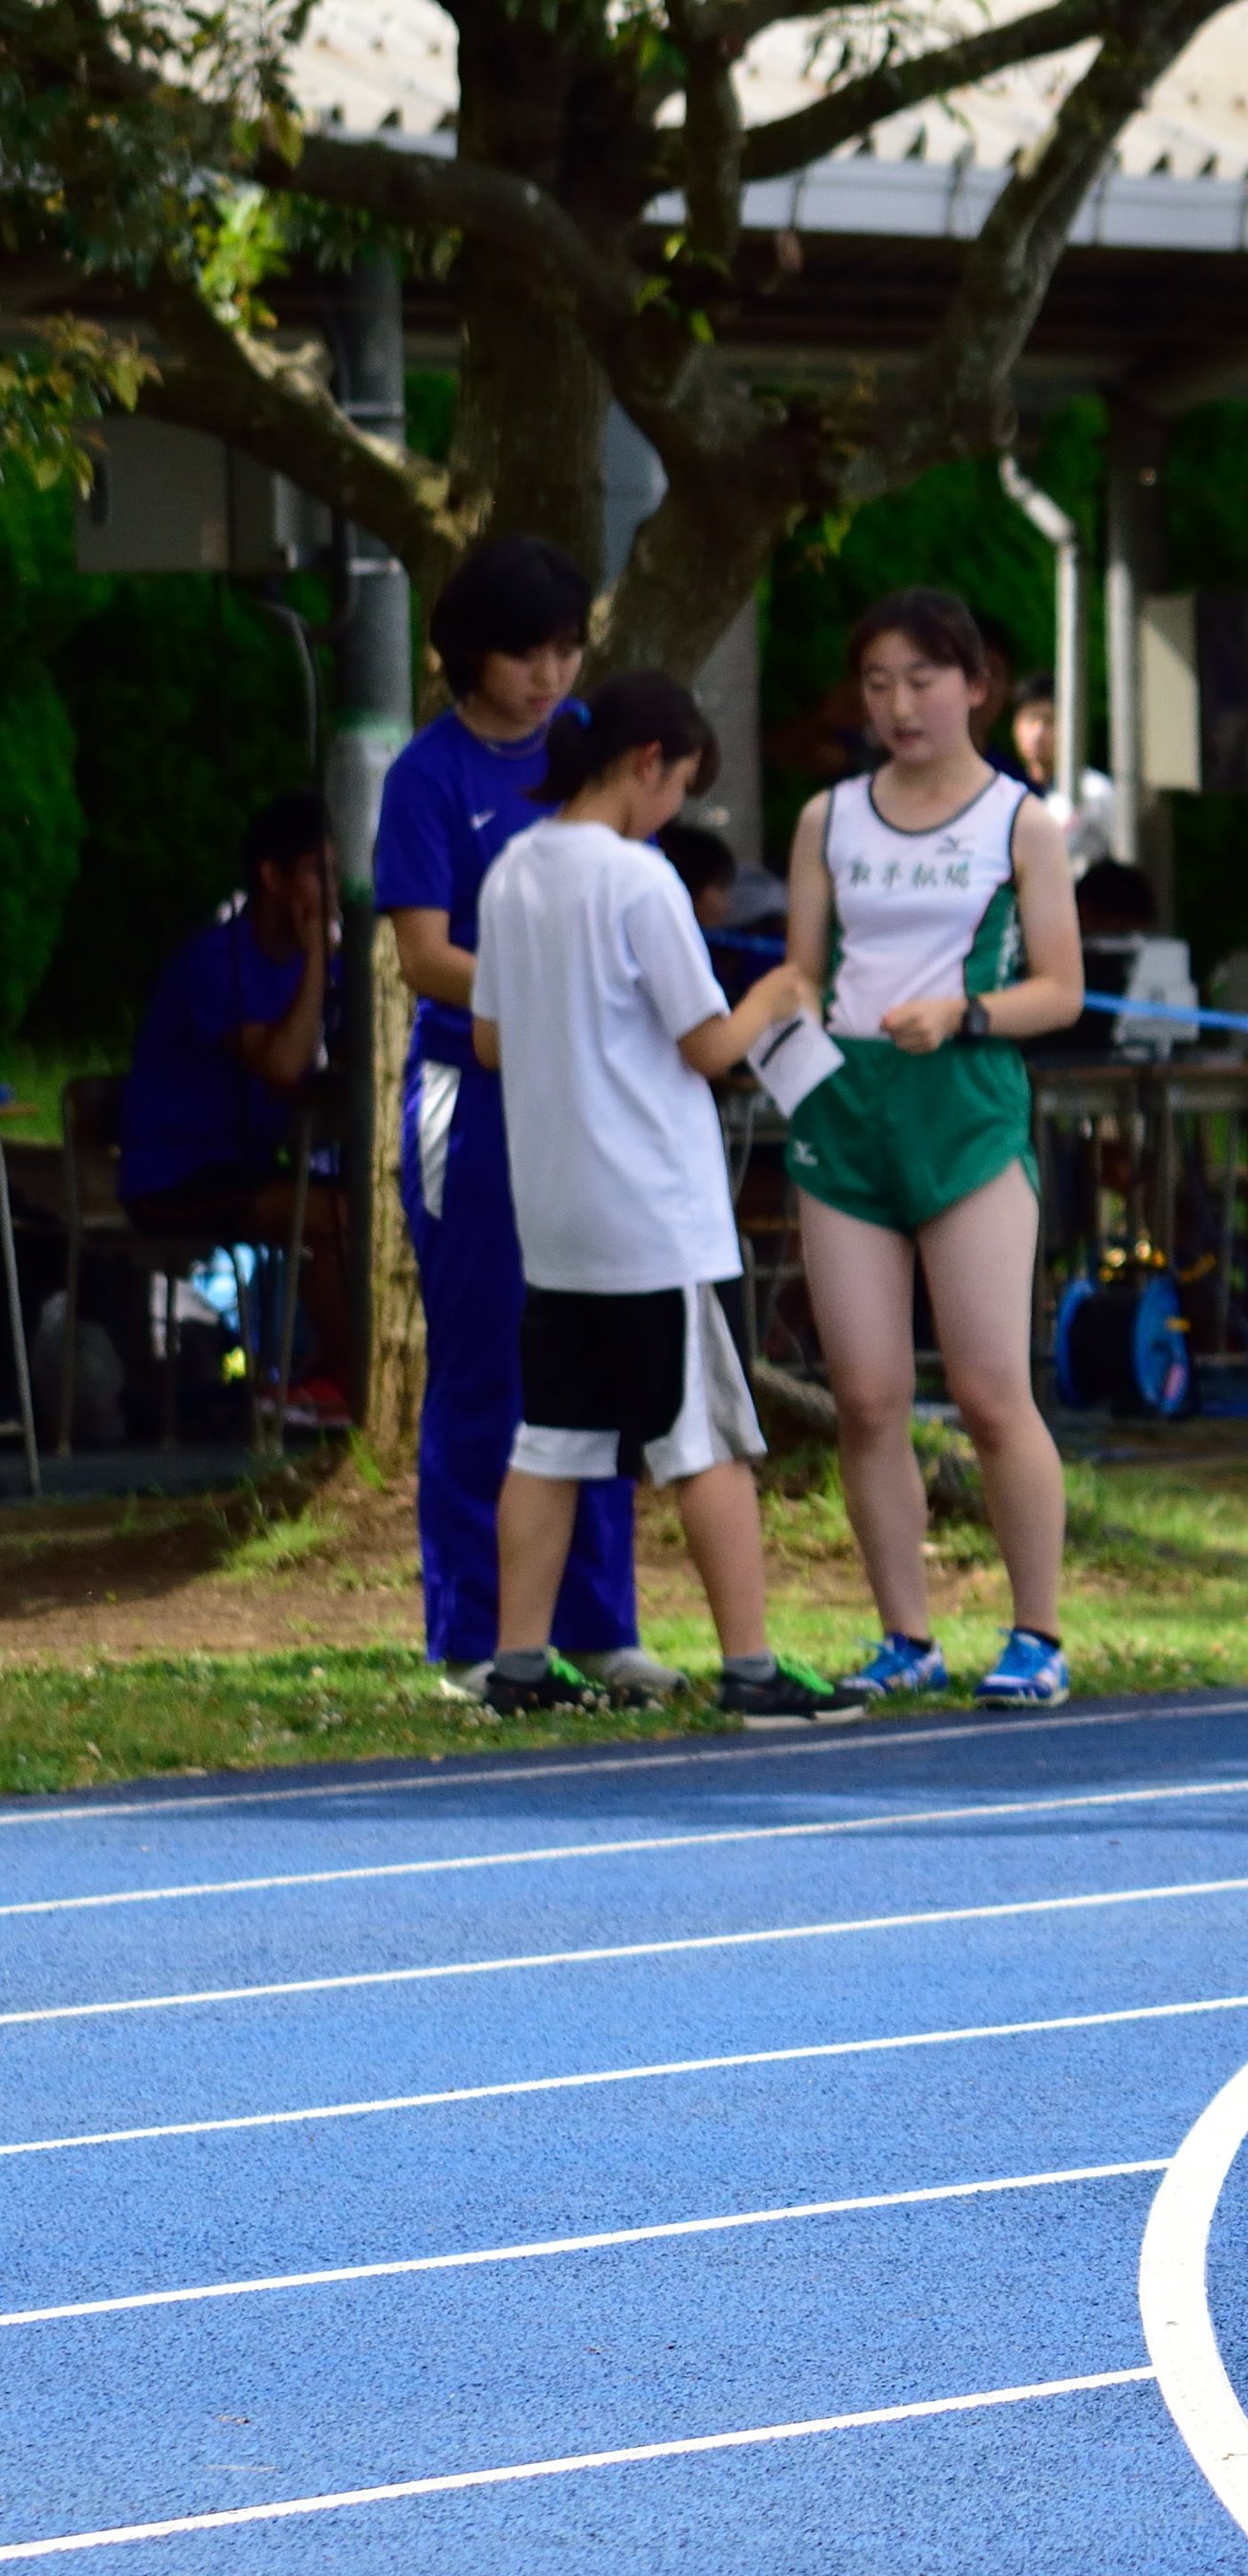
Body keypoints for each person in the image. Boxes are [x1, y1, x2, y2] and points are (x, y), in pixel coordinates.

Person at [469, 673, 845, 1725]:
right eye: (681, 782)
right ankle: (751, 1667)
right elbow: (708, 1045)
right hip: (655, 1217)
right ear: (647, 765)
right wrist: (777, 994)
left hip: (558, 1214)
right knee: (706, 1440)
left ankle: (518, 1663)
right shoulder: (641, 879)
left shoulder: (512, 870)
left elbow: (490, 1038)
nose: (678, 804)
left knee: (550, 1440)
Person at [379, 536, 674, 1704]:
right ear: (467, 654)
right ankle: (471, 1635)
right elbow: (422, 954)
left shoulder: (589, 746)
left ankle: (598, 1625)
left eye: (565, 649)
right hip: (472, 1095)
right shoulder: (428, 775)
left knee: (592, 1354)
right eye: (523, 653)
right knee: (481, 1360)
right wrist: (548, 992)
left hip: (583, 1094)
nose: (550, 675)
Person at [782, 587, 1086, 1710]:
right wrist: (778, 1026)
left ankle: (1037, 1634)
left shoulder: (1020, 822)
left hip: (964, 1105)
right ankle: (904, 1635)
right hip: (846, 1109)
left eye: (922, 680)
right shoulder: (827, 819)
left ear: (974, 686)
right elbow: (802, 972)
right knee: (866, 1397)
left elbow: (1062, 990)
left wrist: (966, 1013)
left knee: (990, 1390)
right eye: (878, 684)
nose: (900, 706)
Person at [121, 791, 350, 1404]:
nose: (333, 891)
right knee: (333, 1217)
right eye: (317, 873)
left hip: (247, 1166)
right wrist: (318, 959)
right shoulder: (214, 963)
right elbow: (281, 1064)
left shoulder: (318, 967)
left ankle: (326, 1372)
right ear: (272, 877)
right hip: (177, 1177)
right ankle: (341, 1383)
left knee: (359, 1207)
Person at [1010, 671, 1120, 859]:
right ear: (1015, 727)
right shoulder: (1004, 792)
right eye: (1030, 719)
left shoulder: (1095, 791)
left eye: (1049, 721)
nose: (1038, 732)